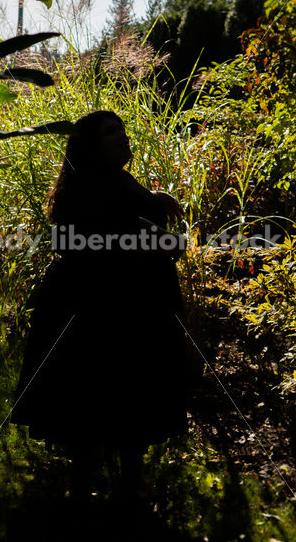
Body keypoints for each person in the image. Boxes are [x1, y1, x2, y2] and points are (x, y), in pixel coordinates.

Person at [10, 110, 189, 505]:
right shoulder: (88, 183)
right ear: (90, 144)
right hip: (104, 304)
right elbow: (98, 234)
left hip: (128, 300)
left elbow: (119, 213)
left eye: (123, 130)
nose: (122, 137)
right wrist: (163, 240)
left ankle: (121, 484)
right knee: (100, 387)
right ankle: (95, 489)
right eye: (111, 132)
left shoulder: (107, 177)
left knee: (122, 387)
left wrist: (152, 201)